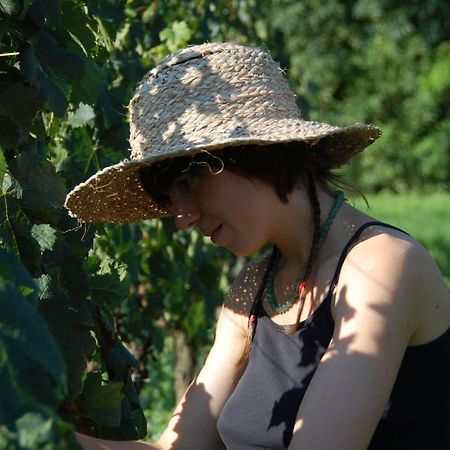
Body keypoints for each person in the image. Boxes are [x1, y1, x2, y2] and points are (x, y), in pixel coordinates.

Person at [66, 43, 450, 450]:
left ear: (254, 151)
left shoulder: (380, 267)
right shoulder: (252, 293)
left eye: (187, 182)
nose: (181, 217)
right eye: (168, 198)